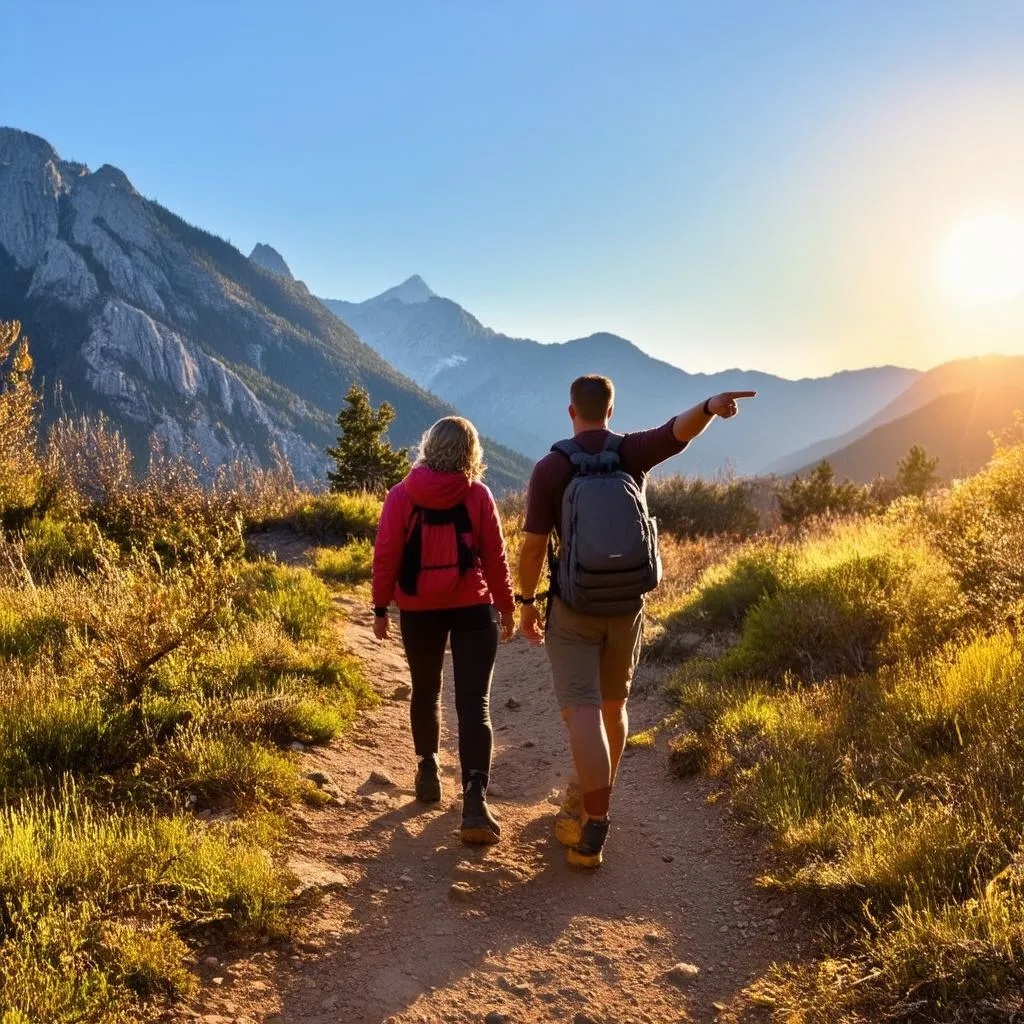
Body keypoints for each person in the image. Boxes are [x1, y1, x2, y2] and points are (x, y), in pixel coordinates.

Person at [517, 375, 755, 867]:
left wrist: (525, 601)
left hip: (574, 608)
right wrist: (709, 405)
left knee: (581, 711)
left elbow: (535, 545)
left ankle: (592, 822)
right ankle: (593, 809)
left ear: (570, 411)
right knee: (612, 705)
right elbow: (677, 432)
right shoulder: (630, 452)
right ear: (610, 409)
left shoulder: (550, 468)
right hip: (626, 606)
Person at [372, 416, 516, 845]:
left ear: (428, 445)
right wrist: (506, 608)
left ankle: (428, 770)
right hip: (473, 605)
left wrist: (381, 607)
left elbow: (386, 554)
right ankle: (474, 801)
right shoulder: (477, 495)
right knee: (475, 705)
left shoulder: (401, 495)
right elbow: (495, 557)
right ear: (471, 452)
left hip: (418, 608)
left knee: (425, 689)